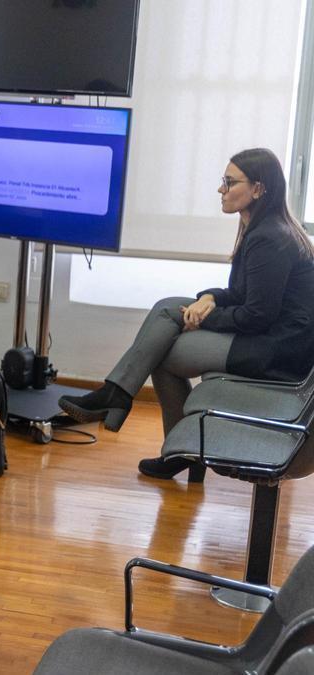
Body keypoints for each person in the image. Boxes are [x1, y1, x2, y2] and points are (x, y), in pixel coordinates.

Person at [58, 148, 314, 479]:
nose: (220, 189)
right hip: (268, 337)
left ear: (258, 189)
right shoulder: (263, 228)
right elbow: (243, 294)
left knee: (162, 355)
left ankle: (154, 428)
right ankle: (123, 400)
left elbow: (257, 315)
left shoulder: (270, 237)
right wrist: (208, 297)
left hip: (275, 351)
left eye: (229, 181)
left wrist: (202, 317)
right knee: (168, 306)